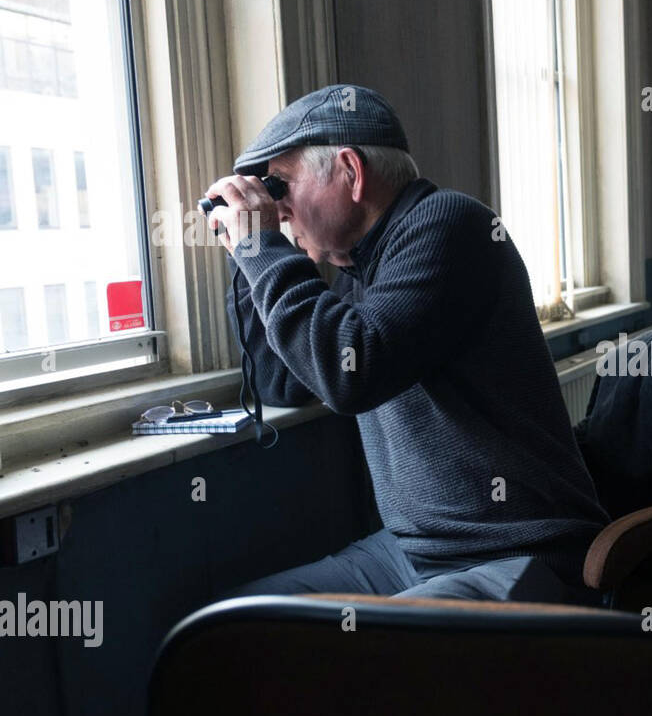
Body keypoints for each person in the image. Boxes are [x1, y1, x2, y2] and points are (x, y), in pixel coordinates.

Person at [204, 83, 608, 605]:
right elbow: (282, 381)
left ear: (350, 171)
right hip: (410, 554)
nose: (276, 209)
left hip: (516, 551)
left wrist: (262, 245)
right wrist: (246, 257)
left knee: (374, 660)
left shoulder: (452, 225)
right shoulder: (360, 266)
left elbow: (351, 374)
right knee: (237, 624)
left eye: (278, 186)